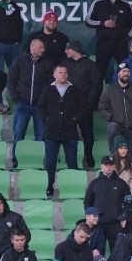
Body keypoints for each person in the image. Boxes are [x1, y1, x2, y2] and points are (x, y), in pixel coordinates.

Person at [38, 64, 84, 197]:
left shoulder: (74, 90)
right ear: (54, 75)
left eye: (65, 72)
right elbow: (40, 107)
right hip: (51, 132)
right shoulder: (48, 90)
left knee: (72, 161)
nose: (63, 74)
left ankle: (73, 189)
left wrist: (75, 120)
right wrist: (47, 119)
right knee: (50, 162)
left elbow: (82, 108)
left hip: (70, 132)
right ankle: (49, 188)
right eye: (60, 72)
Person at [9, 38, 54, 168]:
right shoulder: (19, 61)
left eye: (43, 48)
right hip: (22, 104)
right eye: (41, 47)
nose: (43, 50)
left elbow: (50, 84)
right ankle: (16, 160)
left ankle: (39, 161)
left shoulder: (47, 63)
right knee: (19, 133)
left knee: (41, 135)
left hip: (39, 107)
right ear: (32, 47)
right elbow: (11, 81)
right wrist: (16, 99)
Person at [85, 0, 132, 82]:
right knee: (99, 73)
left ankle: (125, 97)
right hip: (103, 43)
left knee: (125, 71)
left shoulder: (125, 5)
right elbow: (88, 21)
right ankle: (98, 98)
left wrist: (127, 37)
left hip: (120, 44)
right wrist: (103, 23)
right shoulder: (98, 3)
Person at [63, 41, 102, 169]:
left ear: (75, 50)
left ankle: (88, 155)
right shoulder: (64, 65)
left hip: (85, 107)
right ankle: (71, 161)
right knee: (69, 134)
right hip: (69, 106)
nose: (66, 51)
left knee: (88, 133)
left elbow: (96, 86)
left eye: (68, 49)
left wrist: (90, 104)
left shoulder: (90, 65)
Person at [83, 155, 132, 250]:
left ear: (114, 166)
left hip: (115, 224)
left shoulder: (121, 183)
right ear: (101, 166)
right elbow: (87, 201)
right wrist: (89, 216)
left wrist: (123, 216)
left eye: (111, 164)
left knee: (116, 255)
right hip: (98, 224)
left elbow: (129, 201)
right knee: (97, 254)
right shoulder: (94, 183)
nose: (109, 167)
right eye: (106, 164)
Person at [97, 62, 132, 156]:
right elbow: (101, 108)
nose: (126, 73)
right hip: (117, 125)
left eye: (128, 71)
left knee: (131, 158)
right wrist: (111, 118)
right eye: (123, 71)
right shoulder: (110, 90)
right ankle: (113, 156)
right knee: (112, 127)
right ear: (118, 74)